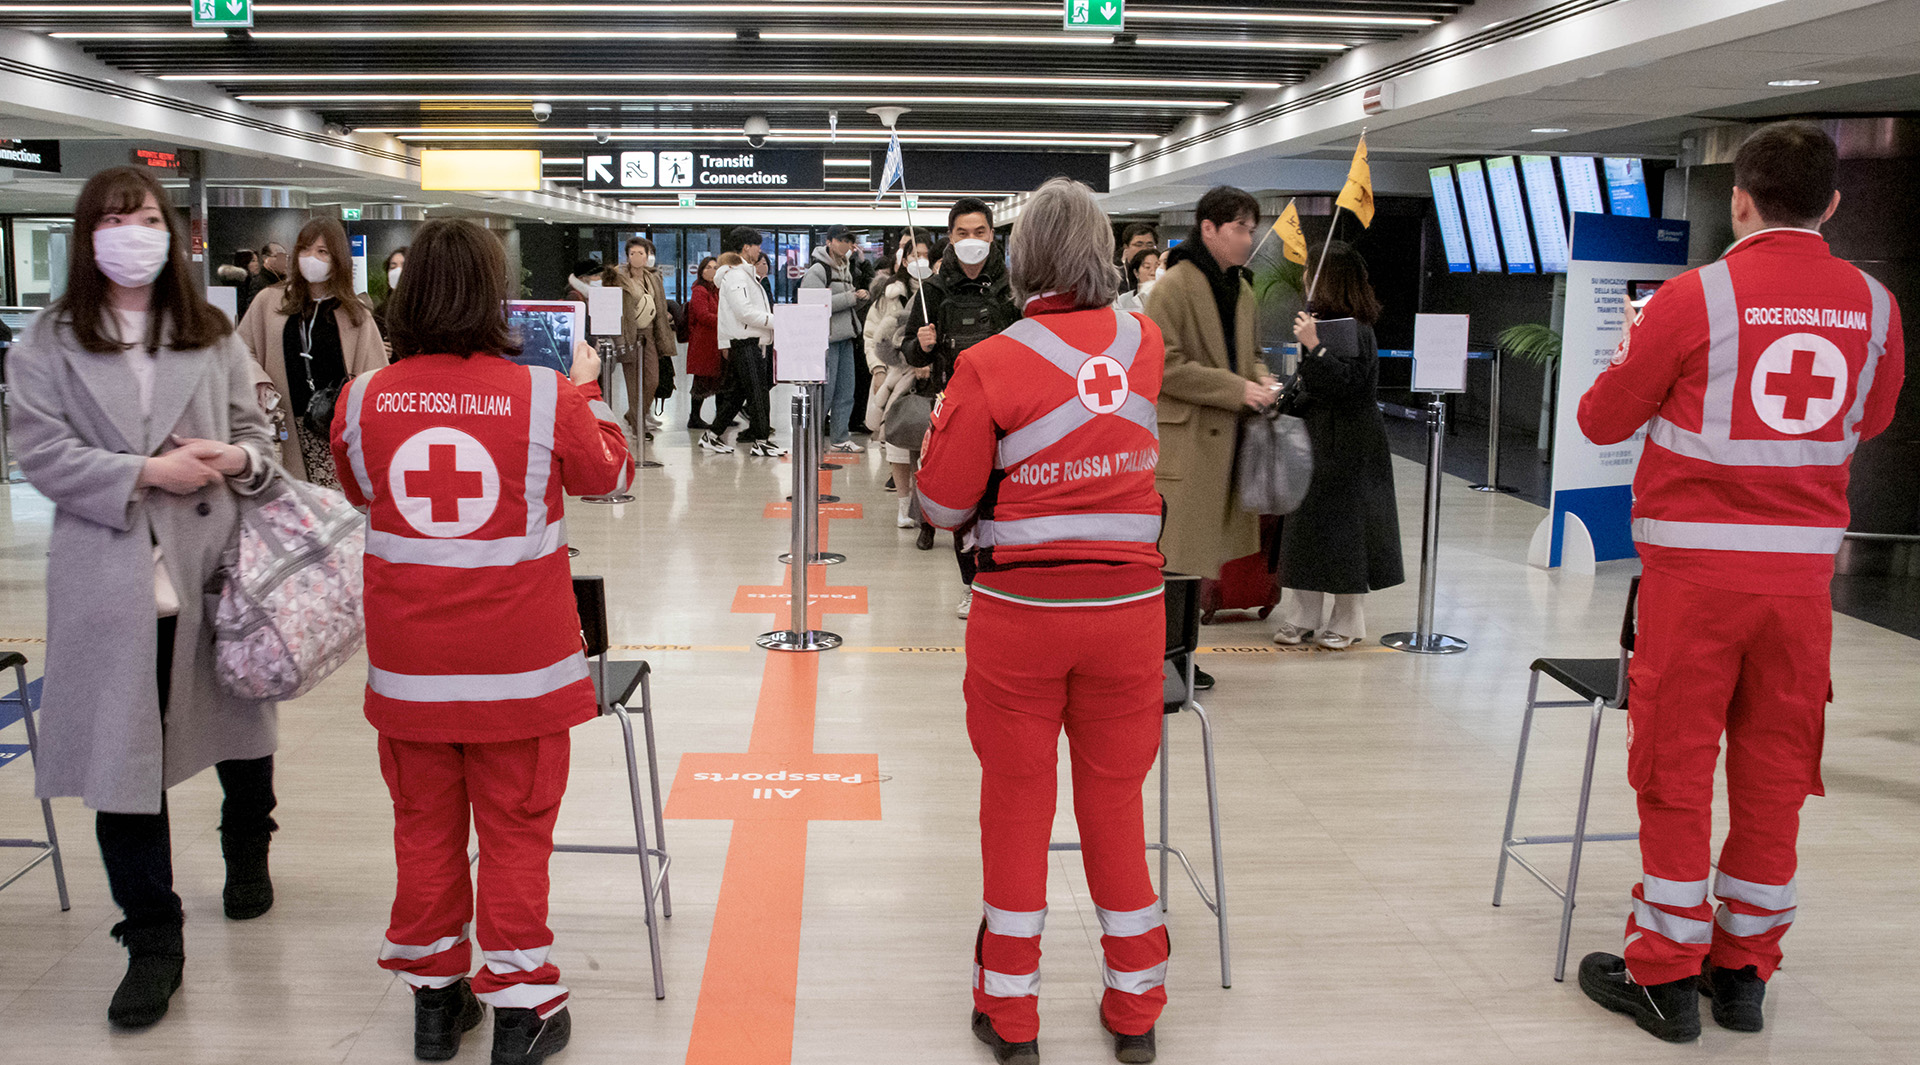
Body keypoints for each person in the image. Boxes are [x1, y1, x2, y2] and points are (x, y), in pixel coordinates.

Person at [1573, 121, 1905, 1043]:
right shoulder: (1877, 307)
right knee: (1774, 775)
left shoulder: (1692, 300)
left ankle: (1666, 974)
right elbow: (1869, 418)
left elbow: (1603, 421)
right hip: (1802, 591)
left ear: (1740, 199)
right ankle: (1743, 970)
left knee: (1675, 770)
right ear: (1833, 203)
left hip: (1695, 586)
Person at [332, 218, 634, 1065]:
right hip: (519, 676)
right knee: (515, 835)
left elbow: (362, 489)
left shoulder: (362, 401)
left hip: (411, 678)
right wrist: (587, 390)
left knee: (422, 832)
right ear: (492, 296)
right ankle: (523, 1008)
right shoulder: (542, 395)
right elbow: (610, 473)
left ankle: (437, 1004)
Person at [8, 165, 281, 1030]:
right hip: (107, 572)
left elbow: (253, 431)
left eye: (148, 216)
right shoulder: (47, 342)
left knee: (241, 720)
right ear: (90, 234)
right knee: (122, 765)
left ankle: (247, 848)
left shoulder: (207, 331)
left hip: (208, 564)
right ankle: (153, 935)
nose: (134, 230)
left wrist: (239, 462)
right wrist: (142, 472)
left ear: (170, 230)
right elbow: (40, 453)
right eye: (117, 217)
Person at [917, 177, 1170, 1065]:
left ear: (1022, 258)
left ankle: (1012, 1015)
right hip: (1134, 614)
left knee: (1018, 809)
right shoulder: (1146, 341)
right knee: (1115, 804)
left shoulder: (989, 362)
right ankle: (1137, 1005)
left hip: (1022, 616)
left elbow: (943, 503)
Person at [1146, 185, 1276, 691]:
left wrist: (1260, 378)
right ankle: (1162, 662)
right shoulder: (1174, 285)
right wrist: (1237, 388)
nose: (1249, 237)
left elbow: (1254, 352)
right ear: (1209, 228)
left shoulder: (1241, 288)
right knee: (1175, 561)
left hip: (1225, 443)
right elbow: (1165, 365)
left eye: (1250, 227)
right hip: (1187, 443)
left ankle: (1183, 659)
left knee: (1196, 563)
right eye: (1240, 228)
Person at [1273, 243, 1404, 650]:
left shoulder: (1357, 330)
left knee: (1347, 532)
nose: (1304, 277)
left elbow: (1350, 385)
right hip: (1316, 437)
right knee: (1307, 528)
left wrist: (1316, 347)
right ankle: (1303, 615)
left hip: (1350, 442)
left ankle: (1348, 621)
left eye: (1311, 270)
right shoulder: (1319, 323)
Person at [907, 197, 1020, 617]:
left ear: (993, 235)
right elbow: (909, 352)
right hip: (955, 412)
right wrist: (919, 346)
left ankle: (1001, 579)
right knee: (965, 501)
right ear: (949, 238)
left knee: (1003, 500)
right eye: (962, 233)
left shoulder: (1013, 287)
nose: (971, 240)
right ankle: (971, 583)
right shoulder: (932, 291)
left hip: (1011, 413)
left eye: (979, 232)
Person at [235, 216, 387, 488]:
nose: (310, 258)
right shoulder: (269, 301)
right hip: (283, 427)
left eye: (322, 251)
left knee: (338, 512)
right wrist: (258, 379)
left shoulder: (355, 313)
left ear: (337, 258)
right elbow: (239, 349)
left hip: (337, 433)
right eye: (304, 249)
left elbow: (377, 379)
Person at [865, 231, 936, 529]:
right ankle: (902, 506)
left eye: (924, 255)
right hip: (895, 375)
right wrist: (878, 369)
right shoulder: (889, 293)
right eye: (913, 255)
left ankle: (927, 507)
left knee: (928, 443)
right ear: (903, 259)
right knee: (897, 440)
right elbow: (872, 336)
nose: (919, 260)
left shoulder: (937, 290)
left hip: (932, 375)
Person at [705, 229, 786, 457]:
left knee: (739, 393)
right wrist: (777, 322)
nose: (760, 251)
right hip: (745, 342)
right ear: (745, 248)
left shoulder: (744, 274)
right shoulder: (736, 276)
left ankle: (711, 435)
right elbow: (745, 313)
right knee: (759, 393)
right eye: (756, 246)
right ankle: (761, 440)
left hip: (750, 341)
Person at [802, 224, 872, 453]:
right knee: (826, 392)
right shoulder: (818, 270)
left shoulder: (845, 267)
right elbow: (812, 307)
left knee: (845, 391)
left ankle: (840, 438)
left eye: (848, 240)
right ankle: (812, 438)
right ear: (829, 241)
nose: (846, 244)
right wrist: (851, 298)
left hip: (845, 336)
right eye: (841, 239)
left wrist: (859, 298)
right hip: (826, 340)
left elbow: (845, 302)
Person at [614, 236, 678, 442]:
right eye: (632, 253)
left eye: (640, 253)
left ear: (647, 255)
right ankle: (637, 424)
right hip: (630, 334)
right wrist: (619, 340)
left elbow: (660, 307)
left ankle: (634, 414)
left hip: (650, 334)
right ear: (627, 256)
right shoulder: (619, 277)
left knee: (652, 380)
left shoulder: (653, 278)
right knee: (633, 382)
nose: (636, 257)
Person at [685, 255, 724, 429]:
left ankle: (722, 417)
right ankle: (694, 417)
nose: (713, 270)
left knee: (720, 380)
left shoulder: (716, 289)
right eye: (709, 267)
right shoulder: (700, 290)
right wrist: (724, 320)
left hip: (715, 341)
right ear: (702, 271)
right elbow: (702, 315)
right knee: (701, 381)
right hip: (704, 343)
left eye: (716, 267)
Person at [373, 245, 408, 337]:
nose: (398, 271)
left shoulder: (424, 309)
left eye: (403, 266)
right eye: (393, 267)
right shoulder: (381, 311)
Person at [1113, 248, 1160, 315]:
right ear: (1136, 273)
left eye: (1157, 267)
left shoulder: (1167, 299)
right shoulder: (1123, 300)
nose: (1153, 272)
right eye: (1147, 267)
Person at [244, 240, 287, 310]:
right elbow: (254, 313)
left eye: (285, 257)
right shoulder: (259, 283)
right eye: (279, 257)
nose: (283, 261)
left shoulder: (283, 282)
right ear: (265, 258)